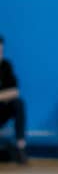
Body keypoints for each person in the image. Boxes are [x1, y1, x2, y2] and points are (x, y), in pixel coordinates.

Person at [0, 35, 28, 165]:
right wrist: (5, 95)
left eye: (1, 51)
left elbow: (15, 92)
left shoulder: (6, 66)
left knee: (19, 103)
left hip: (2, 109)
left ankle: (20, 146)